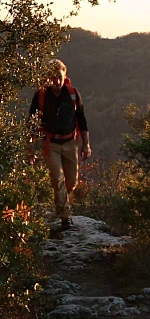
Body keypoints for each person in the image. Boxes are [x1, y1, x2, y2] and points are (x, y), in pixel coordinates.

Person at [29, 59, 92, 230]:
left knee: (71, 182)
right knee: (57, 179)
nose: (57, 81)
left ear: (65, 75)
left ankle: (59, 203)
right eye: (53, 78)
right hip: (51, 143)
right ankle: (66, 217)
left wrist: (86, 144)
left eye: (60, 77)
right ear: (47, 78)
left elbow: (82, 120)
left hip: (71, 142)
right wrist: (30, 149)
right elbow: (31, 124)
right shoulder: (40, 95)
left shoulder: (73, 94)